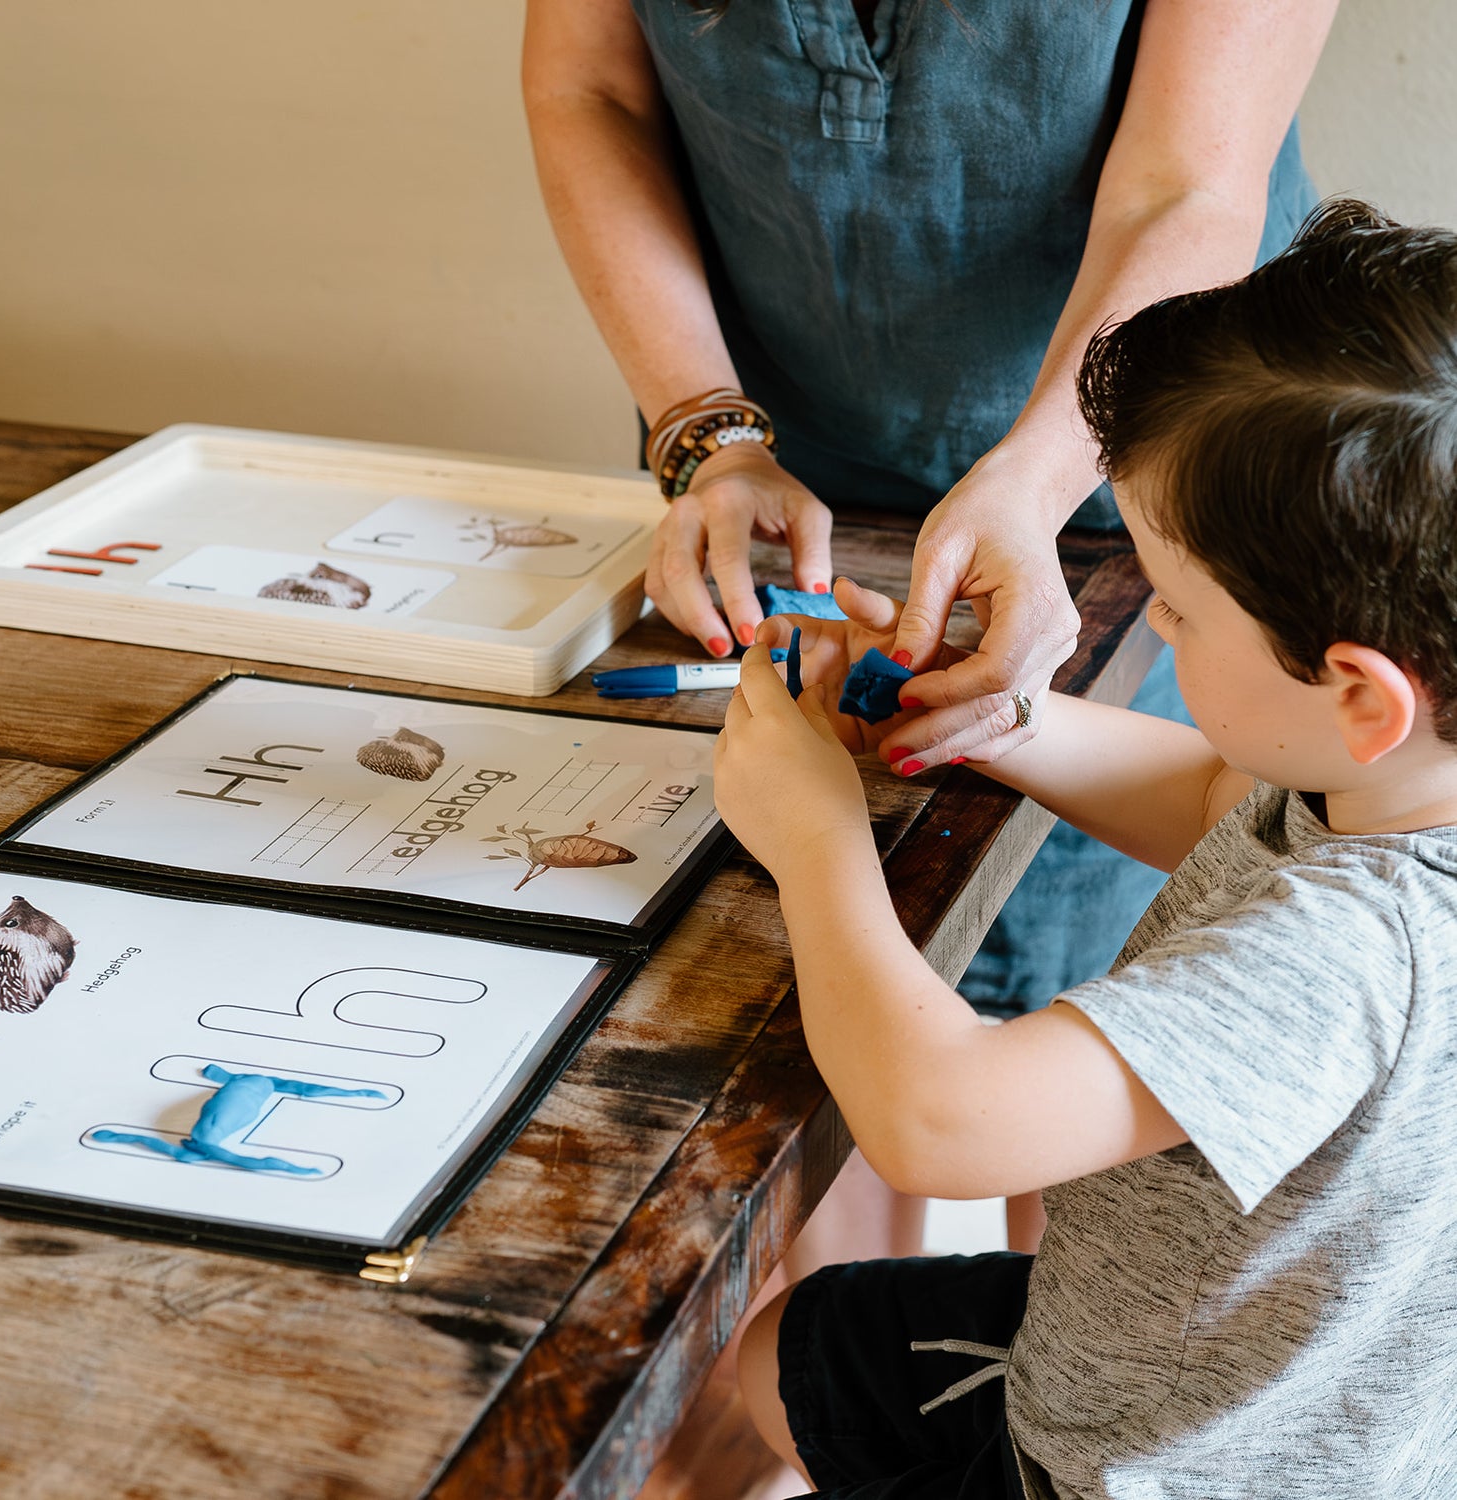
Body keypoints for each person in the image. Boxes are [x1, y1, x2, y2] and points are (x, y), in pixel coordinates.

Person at [714, 199, 1457, 1497]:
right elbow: (1220, 789)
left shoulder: (1348, 958)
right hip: (1258, 1368)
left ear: (1359, 692)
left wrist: (815, 837)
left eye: (1175, 602)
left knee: (771, 1355)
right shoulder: (1392, 788)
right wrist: (993, 720)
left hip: (1159, 1464)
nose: (1155, 627)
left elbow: (942, 1123)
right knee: (791, 1349)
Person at [522, 0, 1338, 1040]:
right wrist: (710, 434)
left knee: (1046, 975)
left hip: (1130, 474)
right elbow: (585, 87)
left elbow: (1187, 186)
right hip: (780, 463)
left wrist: (1033, 485)